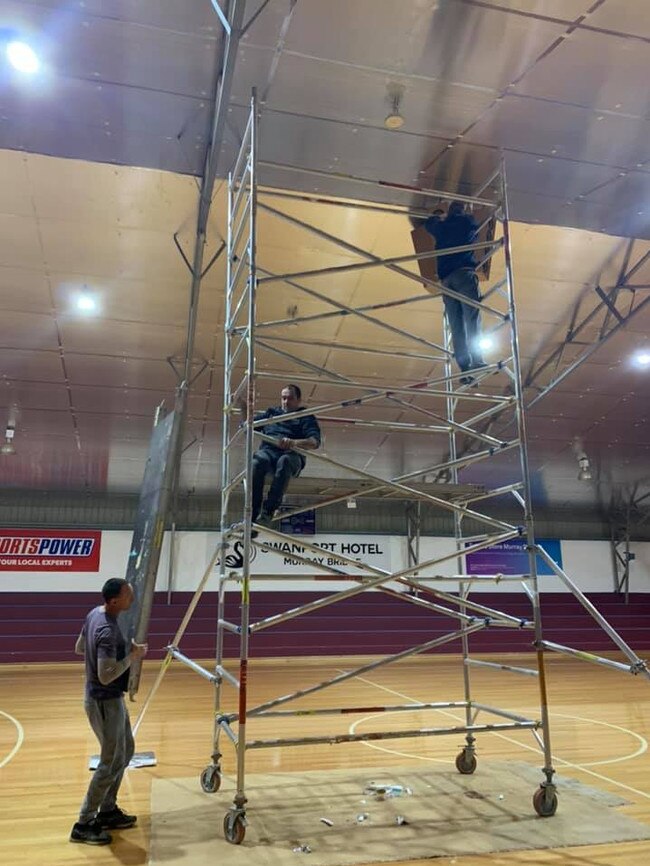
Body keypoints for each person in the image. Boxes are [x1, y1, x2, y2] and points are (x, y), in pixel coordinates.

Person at [70, 578, 147, 846]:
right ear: (114, 601)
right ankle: (84, 822)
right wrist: (132, 656)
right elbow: (105, 676)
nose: (132, 598)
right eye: (128, 595)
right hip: (103, 701)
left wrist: (118, 651)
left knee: (126, 752)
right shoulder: (107, 629)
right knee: (110, 761)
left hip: (111, 699)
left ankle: (108, 809)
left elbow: (80, 647)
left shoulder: (95, 614)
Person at [240, 383, 321, 529]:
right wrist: (244, 407)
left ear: (298, 400)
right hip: (269, 452)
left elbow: (314, 442)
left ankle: (268, 511)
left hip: (292, 454)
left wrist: (294, 442)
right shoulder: (272, 413)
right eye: (283, 398)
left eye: (290, 398)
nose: (286, 402)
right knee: (257, 463)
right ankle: (252, 513)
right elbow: (249, 426)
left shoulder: (306, 417)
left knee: (284, 462)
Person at [424, 200, 486, 383]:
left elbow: (429, 225)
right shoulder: (466, 223)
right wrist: (469, 212)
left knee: (456, 323)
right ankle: (477, 360)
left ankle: (464, 368)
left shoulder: (441, 228)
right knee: (471, 317)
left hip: (446, 280)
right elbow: (474, 228)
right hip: (463, 274)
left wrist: (437, 216)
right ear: (462, 210)